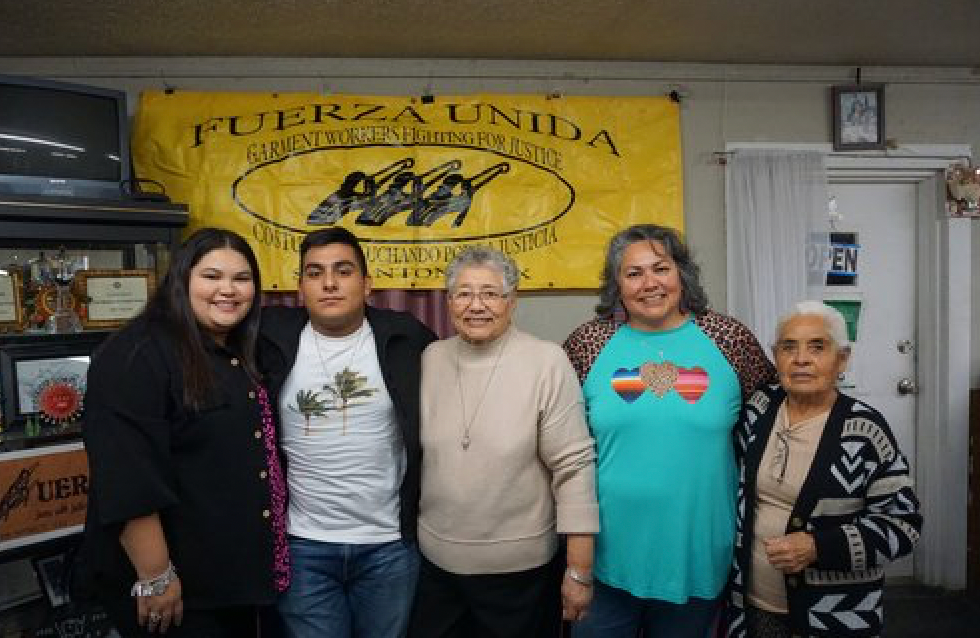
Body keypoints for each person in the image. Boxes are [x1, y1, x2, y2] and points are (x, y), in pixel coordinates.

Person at [562, 224, 774, 638]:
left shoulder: (728, 339)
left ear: (682, 274)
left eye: (660, 268)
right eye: (633, 273)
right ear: (617, 285)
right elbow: (561, 444)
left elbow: (772, 421)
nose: (650, 283)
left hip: (697, 553)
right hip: (604, 559)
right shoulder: (588, 343)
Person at [78, 227, 287, 637]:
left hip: (230, 581)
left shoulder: (240, 351)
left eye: (241, 279)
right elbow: (128, 479)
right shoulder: (137, 354)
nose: (228, 290)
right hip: (171, 588)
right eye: (211, 276)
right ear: (182, 280)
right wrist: (156, 575)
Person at [409, 246, 600, 638]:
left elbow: (575, 468)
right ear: (448, 302)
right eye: (463, 293)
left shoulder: (546, 362)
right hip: (437, 572)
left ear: (512, 302)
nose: (476, 305)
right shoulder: (431, 358)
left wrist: (579, 570)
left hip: (520, 577)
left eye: (490, 293)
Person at [258, 227, 436, 638]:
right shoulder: (269, 338)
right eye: (315, 272)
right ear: (300, 286)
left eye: (343, 270)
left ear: (367, 283)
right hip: (303, 546)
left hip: (389, 546)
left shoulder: (405, 337)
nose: (330, 283)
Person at [725, 301, 922, 638]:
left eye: (817, 347)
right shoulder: (759, 409)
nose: (801, 359)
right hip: (750, 607)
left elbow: (904, 524)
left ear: (841, 359)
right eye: (789, 347)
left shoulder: (864, 430)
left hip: (835, 616)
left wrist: (819, 546)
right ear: (775, 357)